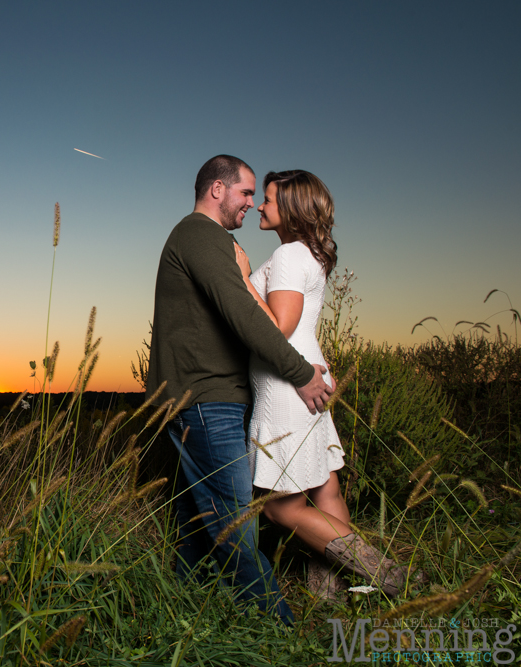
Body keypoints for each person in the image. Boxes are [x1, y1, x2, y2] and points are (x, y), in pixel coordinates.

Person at [146, 155, 334, 624]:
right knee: (236, 524)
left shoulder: (216, 241)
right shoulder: (200, 236)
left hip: (212, 397)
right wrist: (301, 372)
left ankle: (179, 609)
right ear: (217, 189)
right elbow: (247, 315)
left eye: (257, 195)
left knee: (196, 523)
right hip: (206, 400)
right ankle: (280, 629)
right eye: (246, 192)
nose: (252, 202)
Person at [236, 170, 414, 598]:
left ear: (293, 208)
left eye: (270, 199)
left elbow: (279, 327)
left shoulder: (289, 256)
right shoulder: (306, 254)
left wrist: (241, 278)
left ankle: (387, 575)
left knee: (280, 508)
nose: (261, 205)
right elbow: (302, 326)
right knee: (325, 487)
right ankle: (327, 594)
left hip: (286, 387)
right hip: (304, 377)